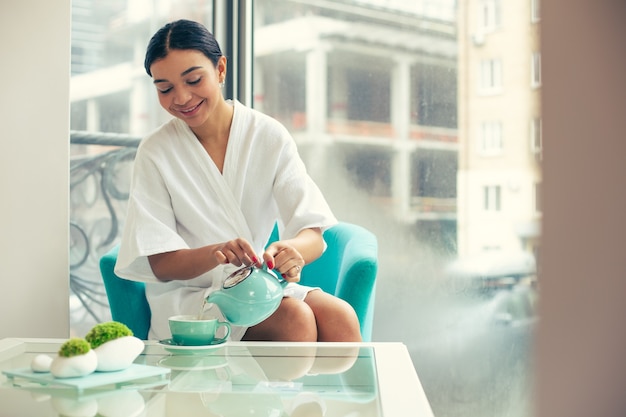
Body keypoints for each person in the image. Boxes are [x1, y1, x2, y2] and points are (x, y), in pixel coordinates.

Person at [115, 19, 362, 343]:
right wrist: (218, 252)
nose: (182, 97)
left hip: (254, 283)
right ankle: (287, 395)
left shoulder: (267, 135)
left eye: (193, 79)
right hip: (192, 296)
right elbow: (160, 263)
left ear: (220, 69)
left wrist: (289, 250)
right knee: (294, 319)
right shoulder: (156, 151)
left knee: (341, 317)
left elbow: (312, 232)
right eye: (165, 88)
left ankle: (329, 396)